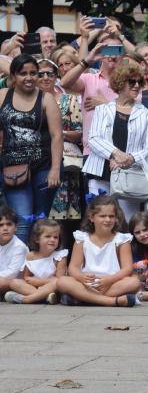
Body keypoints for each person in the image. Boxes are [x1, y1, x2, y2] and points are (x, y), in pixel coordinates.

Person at [0, 55, 63, 243]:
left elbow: (57, 136)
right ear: (13, 75)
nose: (29, 78)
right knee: (23, 219)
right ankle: (19, 267)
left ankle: (37, 265)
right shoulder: (3, 95)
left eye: (33, 73)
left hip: (44, 167)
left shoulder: (47, 99)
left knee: (41, 220)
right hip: (13, 168)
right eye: (23, 73)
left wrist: (55, 169)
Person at [83, 61, 148, 220]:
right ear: (121, 83)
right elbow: (94, 139)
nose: (136, 85)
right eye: (131, 81)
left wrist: (128, 159)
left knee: (128, 224)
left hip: (130, 174)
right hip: (101, 172)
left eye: (139, 82)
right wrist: (116, 154)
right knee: (99, 221)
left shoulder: (146, 114)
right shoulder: (103, 109)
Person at [56, 195, 140, 307]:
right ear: (92, 217)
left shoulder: (122, 240)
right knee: (62, 281)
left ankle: (83, 298)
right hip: (87, 284)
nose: (107, 220)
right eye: (102, 216)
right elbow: (73, 267)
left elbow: (127, 268)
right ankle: (111, 301)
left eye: (111, 216)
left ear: (116, 218)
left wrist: (109, 280)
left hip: (112, 282)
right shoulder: (82, 238)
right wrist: (81, 277)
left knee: (134, 282)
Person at [36, 54, 83, 225]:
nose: (45, 78)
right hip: (36, 161)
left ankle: (62, 251)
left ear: (56, 76)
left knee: (61, 218)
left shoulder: (68, 100)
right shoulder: (28, 100)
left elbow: (79, 133)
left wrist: (59, 134)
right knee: (37, 215)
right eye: (40, 74)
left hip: (64, 162)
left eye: (50, 73)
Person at [4, 219, 66, 304]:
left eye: (56, 237)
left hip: (52, 288)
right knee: (14, 282)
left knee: (56, 282)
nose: (52, 240)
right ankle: (45, 297)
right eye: (48, 236)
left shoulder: (60, 256)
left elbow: (60, 279)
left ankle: (27, 299)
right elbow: (26, 278)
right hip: (34, 288)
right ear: (37, 239)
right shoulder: (30, 256)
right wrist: (33, 282)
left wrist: (39, 281)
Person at [0, 206, 28, 294]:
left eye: (9, 224)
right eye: (1, 225)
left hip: (15, 282)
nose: (5, 228)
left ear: (15, 227)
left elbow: (12, 272)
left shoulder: (19, 247)